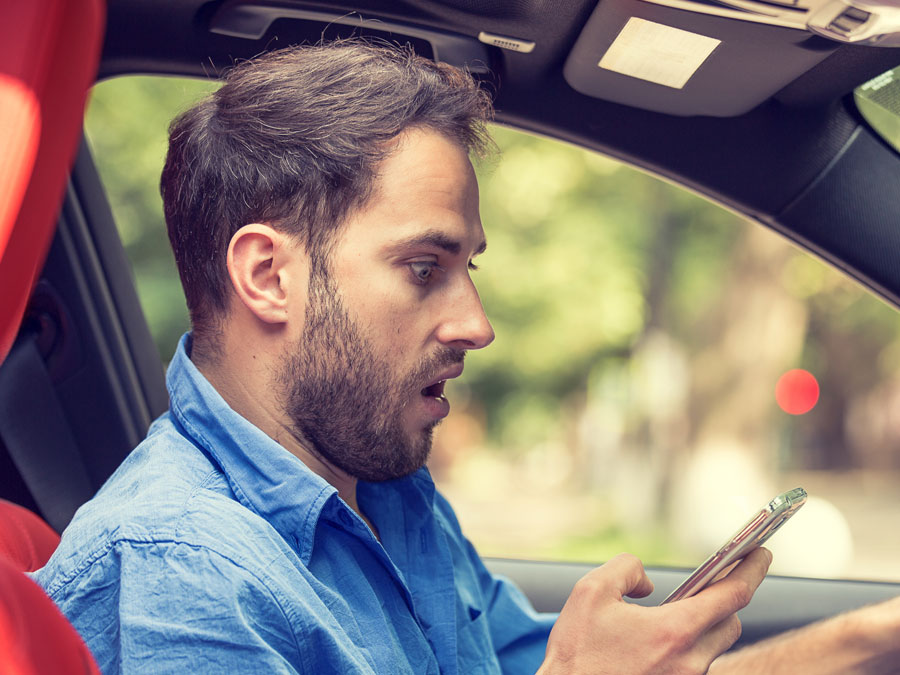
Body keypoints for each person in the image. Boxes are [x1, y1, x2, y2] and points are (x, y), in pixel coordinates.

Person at [30, 41, 893, 674]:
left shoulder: (384, 489)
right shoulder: (179, 573)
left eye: (465, 270)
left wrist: (875, 632)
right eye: (422, 268)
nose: (477, 323)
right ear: (269, 276)